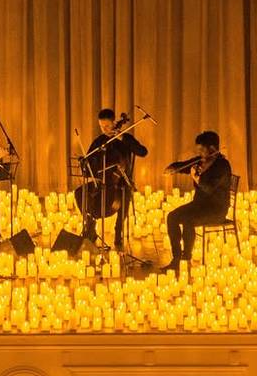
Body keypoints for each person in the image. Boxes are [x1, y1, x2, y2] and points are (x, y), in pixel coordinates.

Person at [74, 109, 148, 248]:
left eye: (107, 126)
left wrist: (122, 138)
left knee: (125, 194)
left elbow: (143, 152)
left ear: (114, 123)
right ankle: (90, 223)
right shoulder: (100, 141)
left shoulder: (125, 138)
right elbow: (90, 159)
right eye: (102, 127)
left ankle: (118, 232)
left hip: (120, 183)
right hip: (102, 181)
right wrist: (84, 162)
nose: (105, 129)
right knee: (79, 193)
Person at [162, 131, 231, 272]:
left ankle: (186, 257)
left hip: (216, 209)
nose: (199, 153)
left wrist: (197, 178)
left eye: (201, 150)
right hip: (199, 205)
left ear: (212, 149)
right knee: (172, 217)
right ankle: (176, 258)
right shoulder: (200, 161)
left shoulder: (222, 166)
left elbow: (209, 189)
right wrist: (172, 168)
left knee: (188, 220)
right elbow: (183, 165)